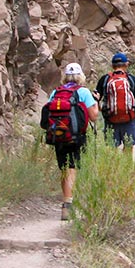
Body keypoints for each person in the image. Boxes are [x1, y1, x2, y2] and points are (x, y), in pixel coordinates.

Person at [48, 63, 98, 220]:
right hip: (77, 136)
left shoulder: (56, 92)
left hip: (58, 134)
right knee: (72, 168)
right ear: (80, 76)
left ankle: (66, 199)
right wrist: (96, 102)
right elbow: (94, 116)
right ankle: (68, 205)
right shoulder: (83, 92)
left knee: (64, 168)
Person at [95, 52, 135, 154]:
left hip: (111, 120)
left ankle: (114, 169)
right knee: (128, 148)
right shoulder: (131, 79)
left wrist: (102, 110)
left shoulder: (105, 79)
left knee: (111, 150)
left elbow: (95, 100)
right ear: (126, 64)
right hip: (129, 119)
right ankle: (127, 169)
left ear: (112, 66)